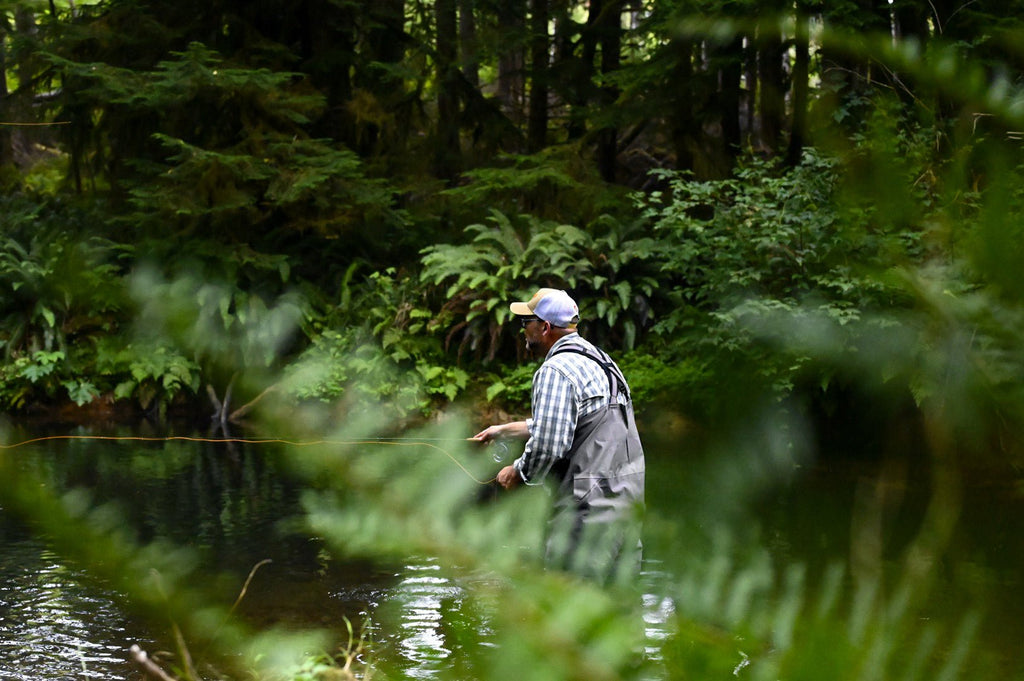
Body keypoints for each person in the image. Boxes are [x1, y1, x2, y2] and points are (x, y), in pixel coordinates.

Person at [473, 288, 645, 583]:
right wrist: (504, 429)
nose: (523, 329)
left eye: (526, 322)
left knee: (570, 614)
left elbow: (551, 443)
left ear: (545, 327)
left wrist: (519, 472)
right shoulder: (603, 363)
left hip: (585, 517)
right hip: (626, 511)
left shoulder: (555, 370)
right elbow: (577, 422)